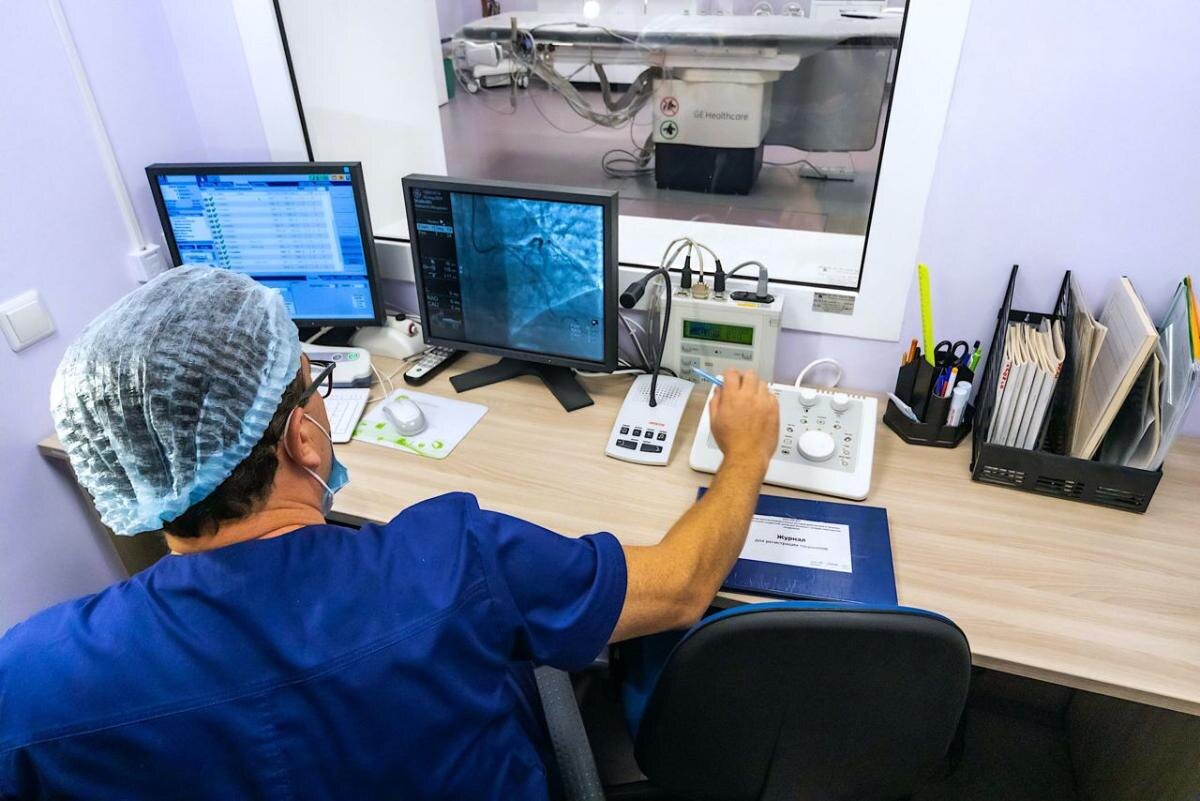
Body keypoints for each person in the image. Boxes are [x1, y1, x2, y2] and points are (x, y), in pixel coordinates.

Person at [0, 266, 779, 800]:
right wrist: (745, 453)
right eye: (313, 383)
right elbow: (682, 585)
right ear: (304, 439)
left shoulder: (30, 679)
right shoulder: (454, 560)